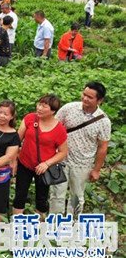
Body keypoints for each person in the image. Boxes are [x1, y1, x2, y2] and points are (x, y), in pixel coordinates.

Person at [49, 82, 111, 216]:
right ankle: (54, 221)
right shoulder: (69, 108)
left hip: (82, 164)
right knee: (56, 194)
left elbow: (102, 147)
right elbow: (53, 127)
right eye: (84, 94)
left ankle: (73, 222)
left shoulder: (103, 121)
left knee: (77, 196)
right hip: (60, 159)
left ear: (99, 100)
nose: (85, 98)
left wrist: (96, 170)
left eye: (90, 97)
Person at [13, 94, 68, 217]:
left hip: (44, 168)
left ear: (53, 111)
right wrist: (14, 160)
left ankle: (39, 223)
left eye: (44, 106)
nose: (39, 108)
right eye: (39, 104)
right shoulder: (30, 118)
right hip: (25, 163)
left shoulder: (59, 129)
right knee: (20, 195)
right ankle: (17, 222)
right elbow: (17, 140)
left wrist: (47, 164)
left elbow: (63, 152)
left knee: (42, 199)